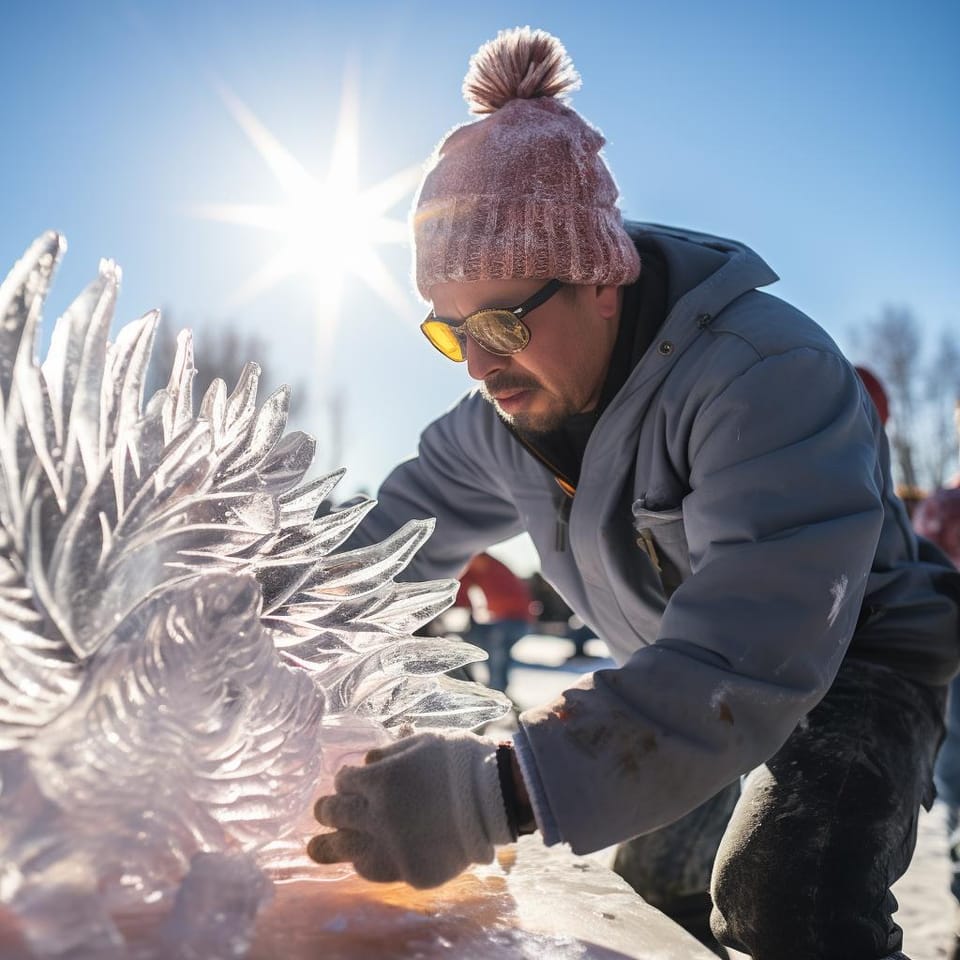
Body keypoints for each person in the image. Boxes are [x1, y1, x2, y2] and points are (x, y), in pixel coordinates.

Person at [307, 27, 960, 960]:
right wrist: (274, 618)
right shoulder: (497, 423)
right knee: (654, 889)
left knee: (787, 895)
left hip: (860, 655)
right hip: (684, 674)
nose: (479, 366)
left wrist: (493, 792)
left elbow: (752, 647)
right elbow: (381, 551)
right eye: (452, 332)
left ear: (600, 284)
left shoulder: (764, 373)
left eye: (501, 323)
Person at [454, 552, 534, 693]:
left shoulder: (485, 564)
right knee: (488, 647)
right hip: (514, 620)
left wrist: (462, 604)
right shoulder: (487, 565)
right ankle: (491, 687)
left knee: (494, 651)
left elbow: (462, 585)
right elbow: (463, 584)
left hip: (512, 620)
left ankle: (496, 689)